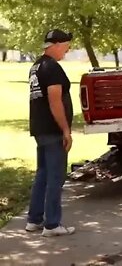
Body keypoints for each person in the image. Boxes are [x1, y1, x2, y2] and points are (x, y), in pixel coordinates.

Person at [26, 29, 75, 237]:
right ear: (55, 44)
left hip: (40, 128)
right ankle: (52, 224)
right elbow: (54, 100)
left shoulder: (36, 66)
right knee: (55, 177)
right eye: (66, 45)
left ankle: (34, 220)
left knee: (43, 174)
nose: (68, 49)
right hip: (53, 129)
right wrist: (65, 130)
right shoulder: (52, 68)